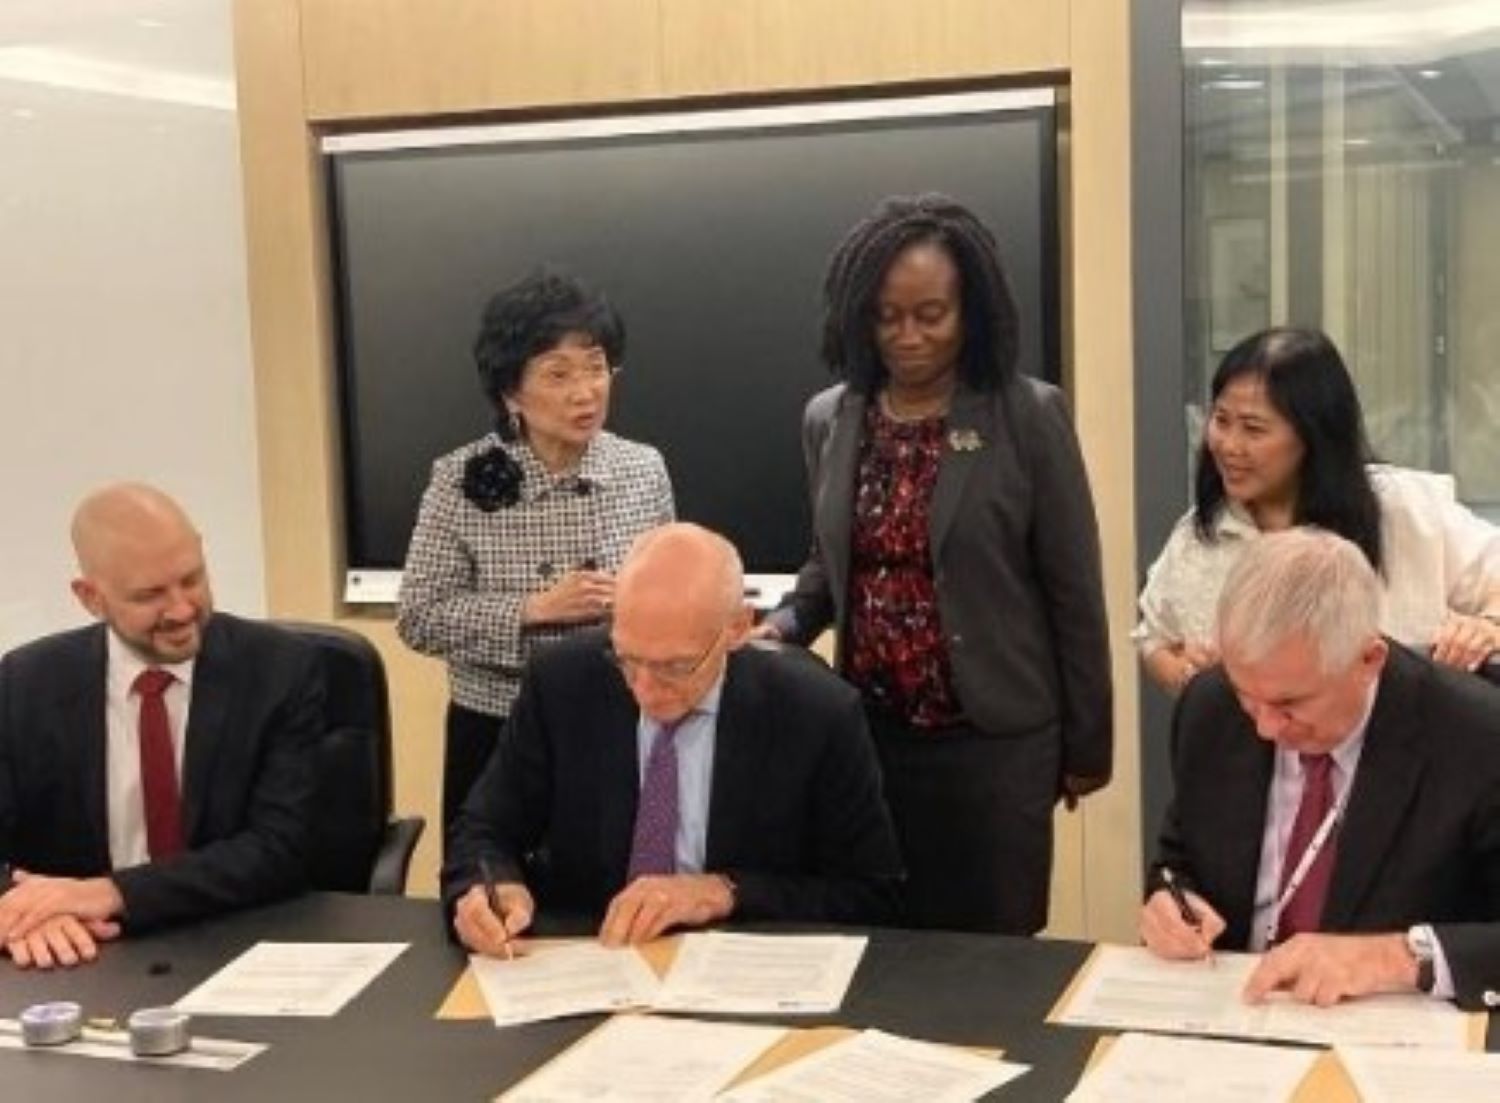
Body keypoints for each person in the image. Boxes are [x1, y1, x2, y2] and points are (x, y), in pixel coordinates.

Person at [761, 193, 1112, 935]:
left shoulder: (1026, 414)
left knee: (993, 953)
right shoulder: (831, 417)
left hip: (997, 742)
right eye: (887, 316)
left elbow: (1074, 589)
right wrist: (783, 624)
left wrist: (1088, 744)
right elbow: (830, 564)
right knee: (881, 940)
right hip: (873, 737)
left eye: (931, 313)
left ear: (971, 310)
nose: (908, 335)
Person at [444, 523, 902, 953]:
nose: (644, 688)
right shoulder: (563, 682)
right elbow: (483, 829)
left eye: (675, 666)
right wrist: (492, 887)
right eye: (627, 659)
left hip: (737, 971)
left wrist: (725, 892)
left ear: (737, 628)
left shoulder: (815, 712)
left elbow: (870, 894)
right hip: (591, 957)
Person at [1141, 528, 1500, 1011]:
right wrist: (1172, 900)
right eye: (1249, 696)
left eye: (1290, 703)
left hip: (1390, 1033)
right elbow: (1178, 859)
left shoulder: (1474, 736)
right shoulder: (1212, 708)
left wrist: (1393, 957)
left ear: (1368, 660)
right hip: (1234, 1016)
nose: (1266, 728)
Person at [396, 269, 674, 837]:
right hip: (497, 729)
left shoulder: (642, 469)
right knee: (492, 898)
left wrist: (636, 602)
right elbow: (419, 616)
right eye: (558, 374)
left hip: (621, 720)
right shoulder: (458, 479)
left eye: (597, 368)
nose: (585, 391)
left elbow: (672, 597)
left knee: (623, 899)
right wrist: (532, 610)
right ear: (510, 392)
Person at [0, 483, 323, 970]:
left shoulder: (280, 670)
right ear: (91, 598)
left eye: (191, 579)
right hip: (80, 955)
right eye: (151, 594)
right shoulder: (25, 683)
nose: (181, 609)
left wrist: (110, 893)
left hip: (234, 940)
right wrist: (27, 911)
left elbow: (279, 849)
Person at [1137, 326, 1500, 696]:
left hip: (1405, 747)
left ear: (1313, 434)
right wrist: (1188, 674)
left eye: (1253, 429)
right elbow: (1154, 640)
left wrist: (1486, 627)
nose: (1229, 445)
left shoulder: (1406, 510)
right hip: (1255, 750)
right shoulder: (1204, 533)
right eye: (1221, 420)